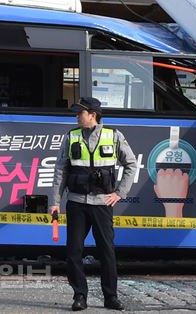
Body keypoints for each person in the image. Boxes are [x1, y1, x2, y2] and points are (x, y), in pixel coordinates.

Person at [50, 97, 137, 311]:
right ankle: (79, 295)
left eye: (80, 113)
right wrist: (55, 202)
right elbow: (60, 170)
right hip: (76, 204)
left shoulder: (113, 135)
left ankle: (111, 297)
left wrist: (119, 193)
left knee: (107, 251)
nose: (76, 116)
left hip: (102, 204)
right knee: (73, 252)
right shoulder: (71, 136)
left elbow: (131, 164)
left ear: (92, 115)